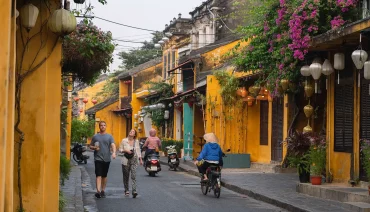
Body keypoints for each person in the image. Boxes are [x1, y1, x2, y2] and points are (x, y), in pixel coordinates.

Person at [90, 121, 116, 198]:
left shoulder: (109, 136)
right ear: (99, 127)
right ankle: (98, 191)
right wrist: (94, 147)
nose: (103, 127)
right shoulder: (95, 137)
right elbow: (90, 146)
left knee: (104, 175)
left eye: (104, 125)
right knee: (98, 175)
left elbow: (113, 144)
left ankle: (103, 190)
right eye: (101, 125)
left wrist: (114, 152)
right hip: (98, 158)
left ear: (106, 126)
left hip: (107, 158)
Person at [119, 129, 143, 198]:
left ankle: (134, 191)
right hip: (125, 160)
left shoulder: (136, 141)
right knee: (126, 176)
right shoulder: (124, 140)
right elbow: (120, 150)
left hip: (134, 160)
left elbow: (138, 150)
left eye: (133, 132)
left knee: (133, 175)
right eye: (130, 131)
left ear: (134, 135)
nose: (131, 132)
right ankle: (126, 190)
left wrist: (140, 159)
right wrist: (125, 150)